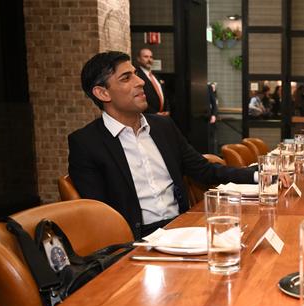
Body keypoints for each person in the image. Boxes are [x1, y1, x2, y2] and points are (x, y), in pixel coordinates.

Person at [69, 51, 257, 239]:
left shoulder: (162, 126)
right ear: (102, 93)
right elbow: (98, 214)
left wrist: (259, 174)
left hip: (182, 228)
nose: (140, 81)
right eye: (126, 78)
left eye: (135, 73)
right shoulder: (86, 143)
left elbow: (204, 170)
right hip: (135, 241)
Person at [134, 48, 169, 116]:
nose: (149, 60)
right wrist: (154, 113)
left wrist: (167, 110)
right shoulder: (136, 76)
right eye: (146, 57)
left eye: (151, 57)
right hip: (148, 117)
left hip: (163, 116)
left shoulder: (156, 76)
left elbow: (165, 95)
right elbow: (136, 99)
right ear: (138, 59)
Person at [207, 82, 219, 154]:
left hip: (208, 117)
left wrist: (214, 115)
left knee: (211, 139)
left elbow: (214, 104)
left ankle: (212, 155)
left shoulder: (208, 87)